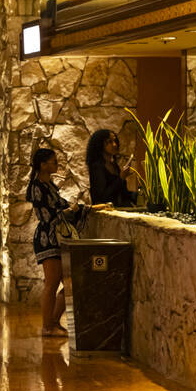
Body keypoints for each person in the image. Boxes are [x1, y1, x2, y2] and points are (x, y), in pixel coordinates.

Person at [26, 148, 108, 337]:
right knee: (52, 282)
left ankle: (54, 322)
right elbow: (53, 213)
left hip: (57, 236)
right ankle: (47, 326)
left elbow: (64, 207)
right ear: (43, 165)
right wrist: (80, 209)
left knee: (70, 283)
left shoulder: (49, 185)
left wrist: (86, 208)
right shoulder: (37, 187)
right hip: (49, 237)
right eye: (53, 161)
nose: (57, 164)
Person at [86, 129, 138, 207]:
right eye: (109, 142)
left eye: (115, 141)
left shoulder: (114, 165)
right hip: (104, 212)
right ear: (100, 144)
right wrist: (121, 178)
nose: (114, 145)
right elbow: (102, 196)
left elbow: (122, 193)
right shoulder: (97, 167)